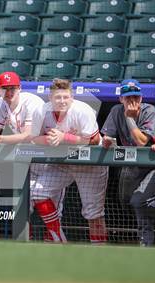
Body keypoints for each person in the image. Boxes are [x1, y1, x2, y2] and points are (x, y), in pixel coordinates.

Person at [0, 72, 64, 242]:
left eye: (13, 89)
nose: (9, 93)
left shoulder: (32, 102)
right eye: (5, 89)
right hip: (28, 158)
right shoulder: (0, 104)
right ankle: (27, 244)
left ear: (20, 88)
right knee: (25, 204)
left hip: (49, 157)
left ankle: (58, 241)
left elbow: (27, 135)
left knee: (52, 205)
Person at [30, 79, 109, 244]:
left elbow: (94, 140)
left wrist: (64, 137)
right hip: (63, 163)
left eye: (66, 97)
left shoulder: (81, 110)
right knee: (38, 192)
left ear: (71, 97)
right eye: (57, 97)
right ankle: (59, 240)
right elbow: (33, 138)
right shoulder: (41, 111)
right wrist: (48, 140)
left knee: (93, 213)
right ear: (50, 98)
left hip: (90, 164)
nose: (62, 101)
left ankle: (100, 253)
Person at [101, 79, 155, 246]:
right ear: (121, 99)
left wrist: (130, 119)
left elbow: (142, 141)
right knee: (133, 203)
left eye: (136, 97)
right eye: (128, 97)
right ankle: (146, 244)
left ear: (141, 98)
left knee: (138, 201)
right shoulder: (116, 111)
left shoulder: (149, 110)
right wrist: (107, 141)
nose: (132, 101)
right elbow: (106, 137)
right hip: (135, 166)